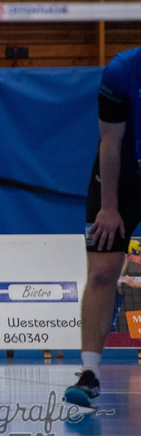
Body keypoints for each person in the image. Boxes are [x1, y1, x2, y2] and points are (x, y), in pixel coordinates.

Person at [65, 47, 141, 408]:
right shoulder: (122, 71)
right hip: (121, 177)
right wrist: (109, 206)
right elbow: (110, 141)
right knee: (102, 271)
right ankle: (90, 373)